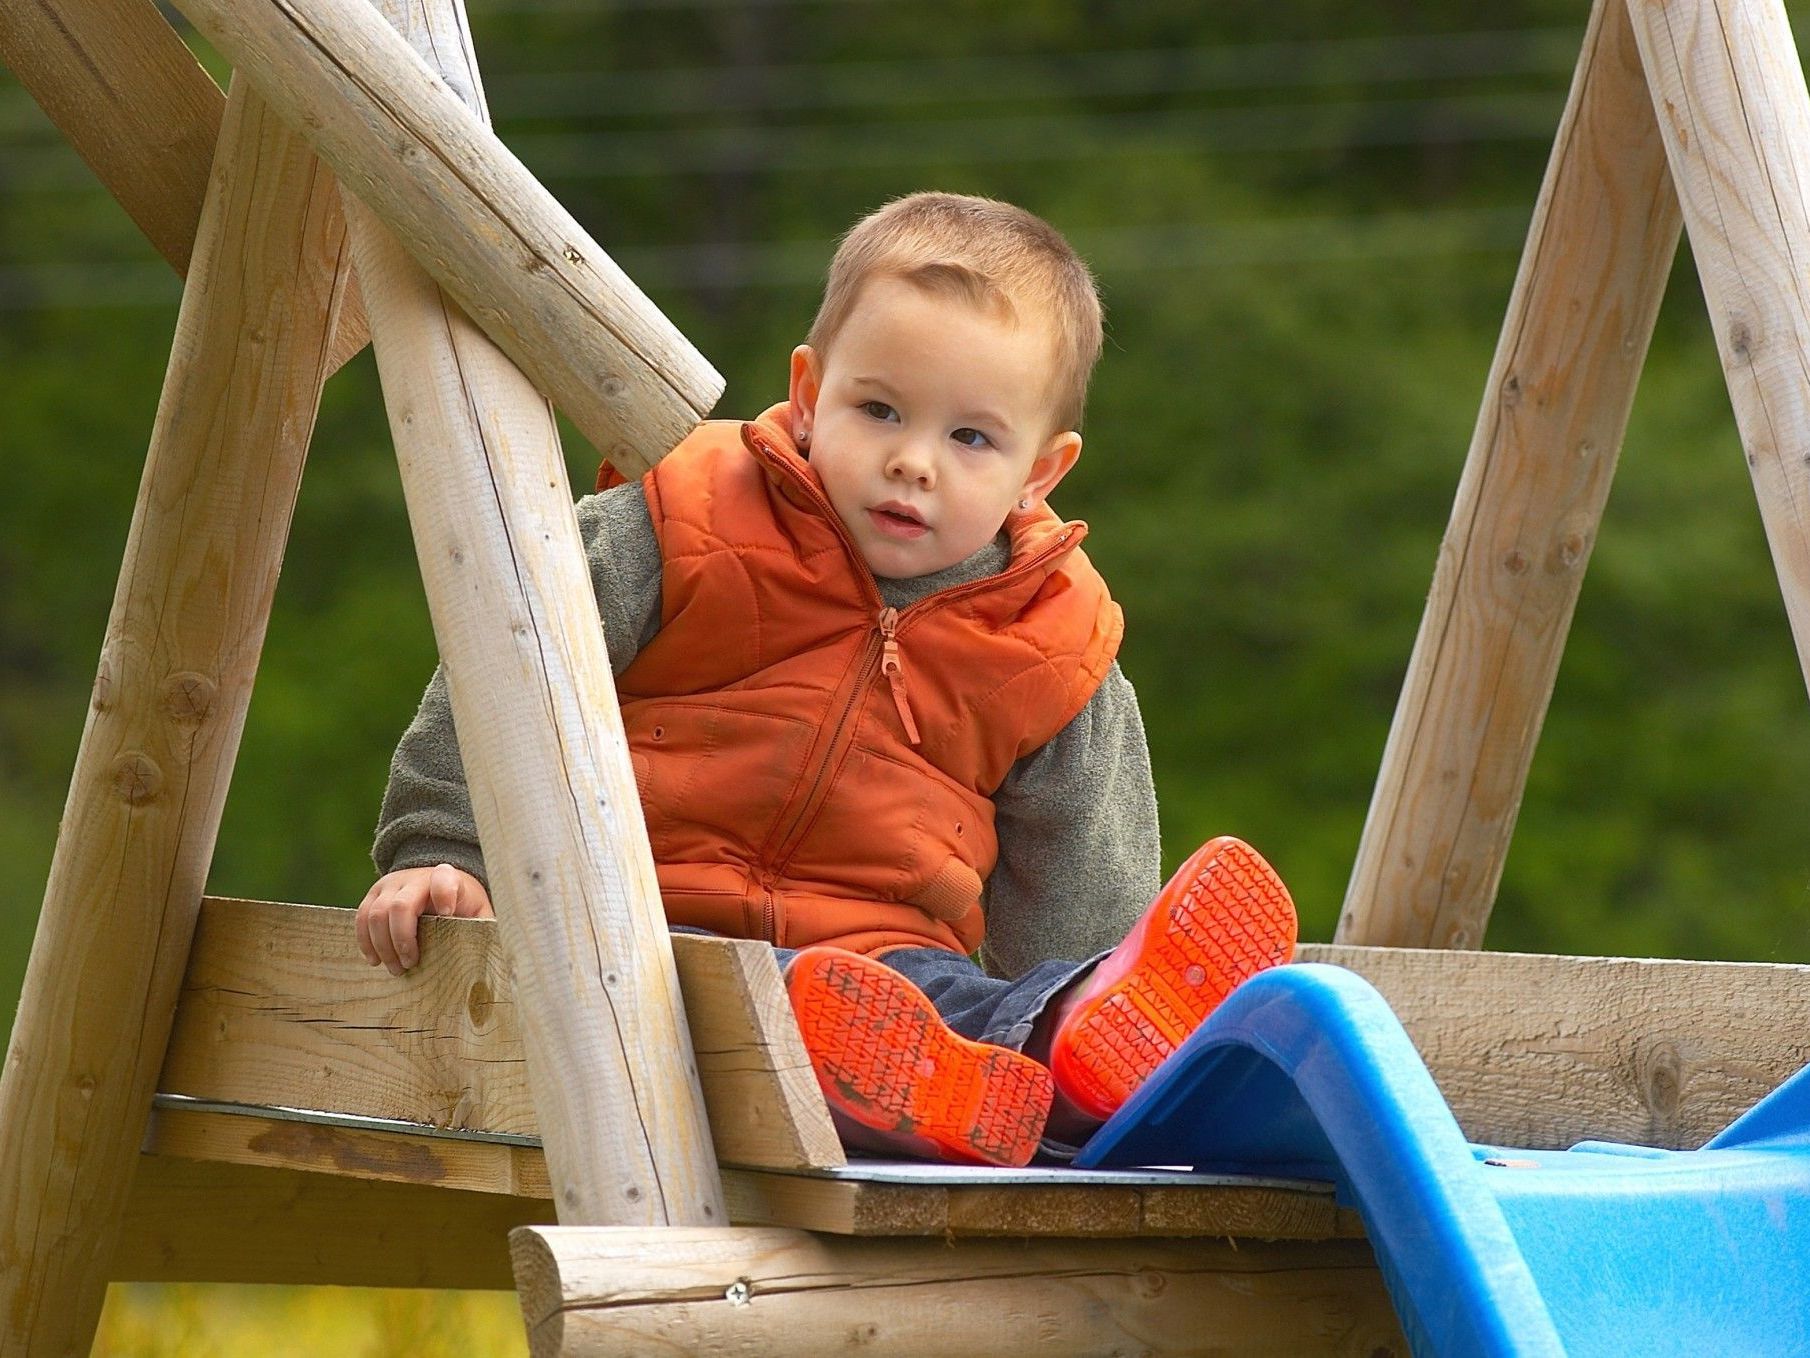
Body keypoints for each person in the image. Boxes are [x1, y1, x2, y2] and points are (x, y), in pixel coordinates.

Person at [356, 191, 1296, 1166]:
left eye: (970, 438)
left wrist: (1089, 984)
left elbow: (1080, 869)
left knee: (972, 1008)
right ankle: (915, 1080)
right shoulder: (683, 518)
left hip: (891, 970)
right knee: (774, 1005)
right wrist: (446, 852)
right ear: (808, 394)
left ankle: (1061, 1066)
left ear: (1040, 472)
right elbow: (506, 662)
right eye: (879, 410)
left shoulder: (1048, 640)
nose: (912, 461)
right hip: (645, 931)